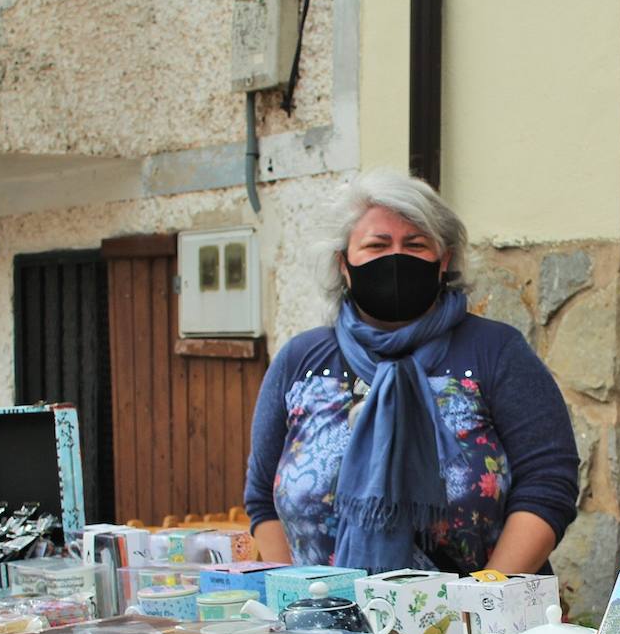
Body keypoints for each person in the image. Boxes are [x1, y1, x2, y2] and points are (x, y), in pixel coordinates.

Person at [245, 169, 579, 576]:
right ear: (344, 264)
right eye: (376, 245)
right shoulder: (301, 361)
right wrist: (295, 595)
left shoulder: (496, 352)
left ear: (444, 262)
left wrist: (479, 602)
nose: (396, 259)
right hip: (321, 630)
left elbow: (547, 487)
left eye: (415, 245)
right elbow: (262, 498)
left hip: (476, 627)